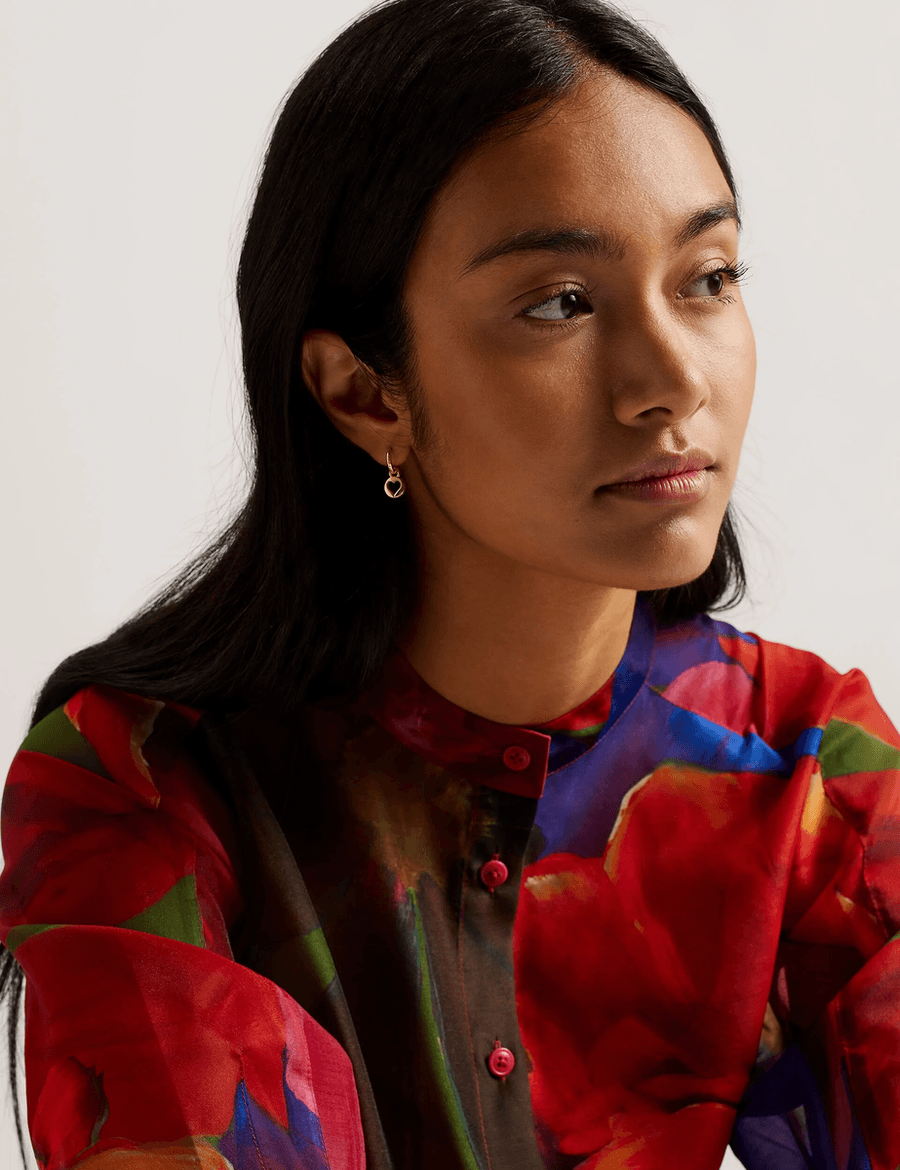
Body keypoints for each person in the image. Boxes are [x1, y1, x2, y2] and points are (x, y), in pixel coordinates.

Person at [1, 0, 897, 1166]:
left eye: (708, 276)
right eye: (559, 302)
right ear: (364, 393)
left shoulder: (806, 765)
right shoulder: (140, 782)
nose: (673, 380)